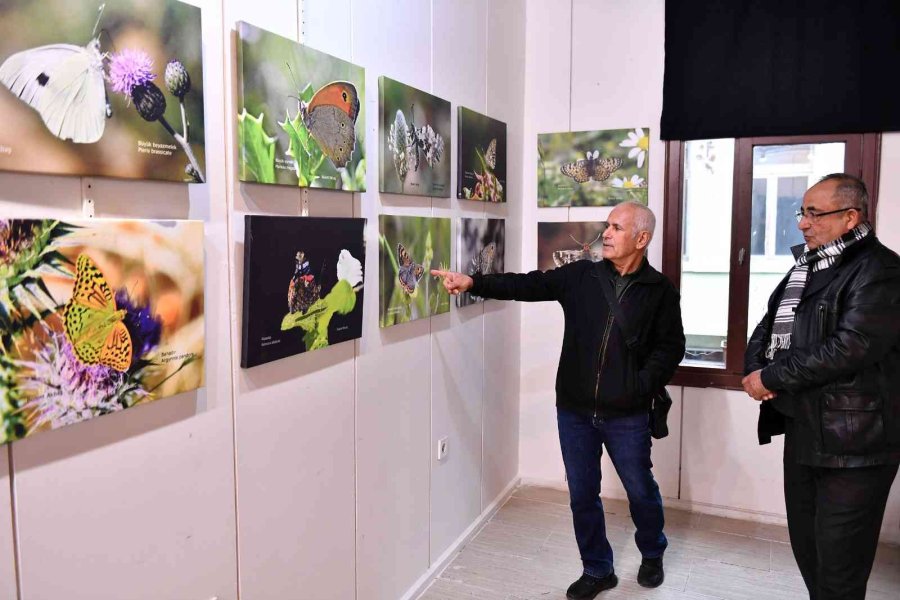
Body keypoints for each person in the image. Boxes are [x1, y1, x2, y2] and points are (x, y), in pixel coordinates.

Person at [433, 201, 685, 600]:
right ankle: (597, 569)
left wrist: (640, 385)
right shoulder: (583, 275)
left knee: (640, 489)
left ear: (642, 238)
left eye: (617, 228)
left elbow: (671, 348)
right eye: (607, 225)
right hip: (575, 411)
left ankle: (652, 552)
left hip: (628, 414)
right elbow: (529, 284)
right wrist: (473, 282)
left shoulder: (660, 292)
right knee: (583, 494)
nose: (606, 233)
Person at [742, 173, 900, 600]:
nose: (803, 223)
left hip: (856, 444)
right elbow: (770, 322)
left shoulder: (881, 269)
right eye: (802, 212)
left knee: (840, 564)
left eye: (814, 213)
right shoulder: (808, 267)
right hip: (805, 430)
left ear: (850, 217)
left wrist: (771, 376)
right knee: (808, 550)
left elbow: (851, 346)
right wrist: (754, 368)